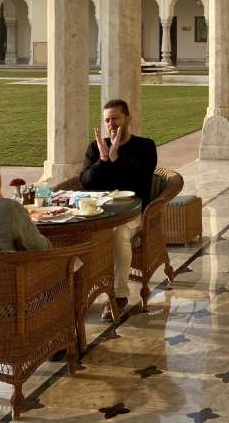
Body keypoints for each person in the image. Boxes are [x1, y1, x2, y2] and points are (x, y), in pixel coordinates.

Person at [79, 99, 157, 321]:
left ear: (128, 118)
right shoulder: (95, 148)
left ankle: (118, 296)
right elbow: (85, 182)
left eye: (115, 118)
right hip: (101, 214)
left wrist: (116, 158)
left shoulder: (145, 147)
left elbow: (140, 184)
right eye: (106, 120)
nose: (110, 124)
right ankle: (80, 295)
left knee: (119, 233)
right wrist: (103, 160)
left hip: (133, 214)